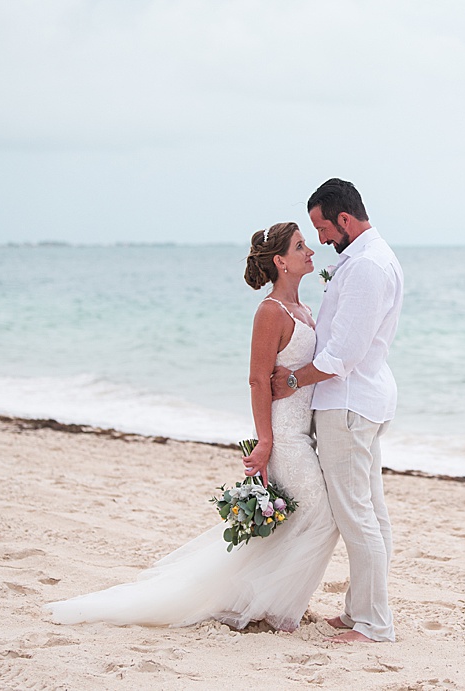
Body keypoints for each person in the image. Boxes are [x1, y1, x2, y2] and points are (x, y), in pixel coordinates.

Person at [45, 222, 338, 632]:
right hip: (285, 436)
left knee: (298, 520)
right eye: (300, 246)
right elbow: (257, 380)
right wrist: (265, 441)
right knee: (322, 517)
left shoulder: (303, 309)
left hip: (304, 432)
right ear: (280, 261)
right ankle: (272, 608)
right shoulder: (271, 311)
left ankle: (262, 603)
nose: (310, 252)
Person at [271, 179, 403, 643]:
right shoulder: (369, 258)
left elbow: (341, 356)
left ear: (344, 219)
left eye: (323, 229)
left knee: (356, 516)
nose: (321, 239)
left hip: (348, 405)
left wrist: (291, 380)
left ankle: (374, 623)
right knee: (371, 514)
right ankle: (359, 611)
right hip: (361, 401)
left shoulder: (367, 266)